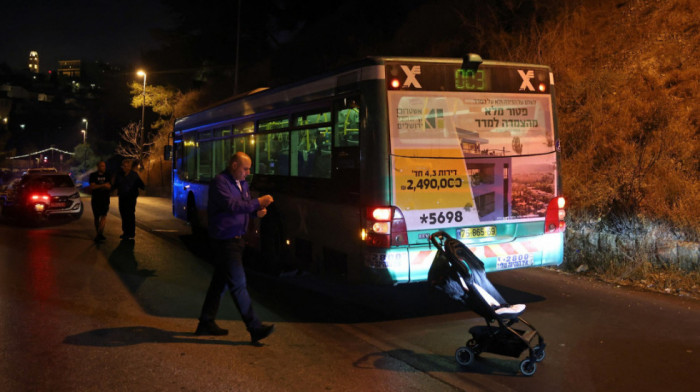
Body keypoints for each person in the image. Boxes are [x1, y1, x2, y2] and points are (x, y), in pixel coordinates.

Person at [195, 152, 275, 344]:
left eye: (249, 169)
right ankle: (254, 327)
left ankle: (206, 321)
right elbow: (232, 205)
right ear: (233, 165)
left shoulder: (243, 184)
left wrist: (256, 213)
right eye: (245, 168)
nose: (248, 173)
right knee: (238, 284)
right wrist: (257, 202)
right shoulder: (220, 183)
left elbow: (243, 208)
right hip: (225, 241)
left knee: (219, 283)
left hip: (237, 240)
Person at [111, 159, 145, 240]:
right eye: (123, 166)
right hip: (122, 197)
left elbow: (141, 185)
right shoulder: (119, 175)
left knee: (130, 214)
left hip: (131, 198)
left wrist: (138, 188)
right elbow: (115, 185)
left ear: (129, 167)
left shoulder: (134, 175)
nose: (124, 168)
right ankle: (125, 232)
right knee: (123, 214)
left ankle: (131, 233)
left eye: (126, 166)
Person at [88, 161, 111, 242]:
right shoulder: (93, 175)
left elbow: (109, 186)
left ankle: (99, 234)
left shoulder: (108, 175)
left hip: (105, 199)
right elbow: (92, 187)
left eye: (104, 166)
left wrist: (98, 186)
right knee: (96, 217)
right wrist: (103, 185)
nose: (103, 167)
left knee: (104, 216)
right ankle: (99, 234)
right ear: (98, 167)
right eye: (101, 166)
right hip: (95, 199)